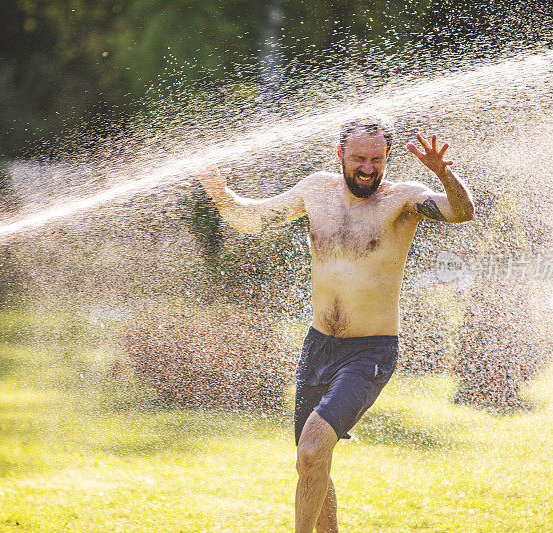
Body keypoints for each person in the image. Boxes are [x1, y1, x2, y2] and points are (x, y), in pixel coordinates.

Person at [196, 117, 475, 533]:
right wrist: (219, 192)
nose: (368, 167)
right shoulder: (316, 191)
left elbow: (462, 212)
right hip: (319, 347)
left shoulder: (403, 200)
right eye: (359, 158)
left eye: (377, 159)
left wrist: (443, 174)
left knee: (309, 453)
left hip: (370, 351)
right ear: (340, 154)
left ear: (387, 159)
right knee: (314, 465)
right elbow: (251, 220)